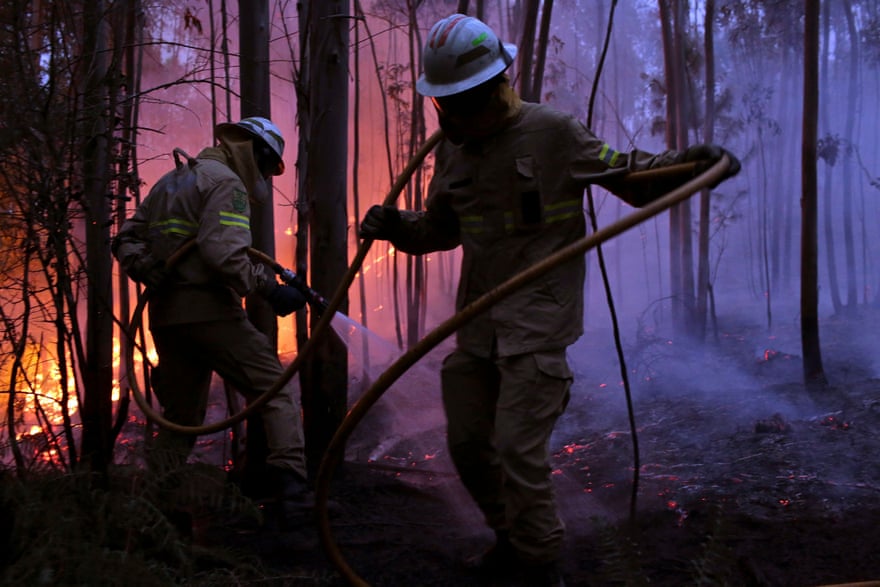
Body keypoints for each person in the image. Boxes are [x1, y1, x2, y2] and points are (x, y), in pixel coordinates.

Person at [359, 14, 741, 587]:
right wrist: (395, 226)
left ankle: (539, 567)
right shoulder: (454, 153)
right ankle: (512, 540)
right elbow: (441, 231)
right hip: (477, 324)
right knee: (467, 443)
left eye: (462, 102)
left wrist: (696, 165)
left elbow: (630, 177)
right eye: (445, 105)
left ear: (494, 88)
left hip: (537, 324)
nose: (453, 116)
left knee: (516, 446)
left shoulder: (553, 133)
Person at [113, 117, 310, 522]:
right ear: (255, 152)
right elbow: (225, 255)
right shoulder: (227, 184)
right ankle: (293, 494)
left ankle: (156, 508)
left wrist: (144, 265)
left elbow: (124, 239)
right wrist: (271, 289)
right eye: (268, 166)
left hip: (167, 318)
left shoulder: (171, 181)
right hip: (209, 310)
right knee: (276, 390)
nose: (265, 177)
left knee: (181, 415)